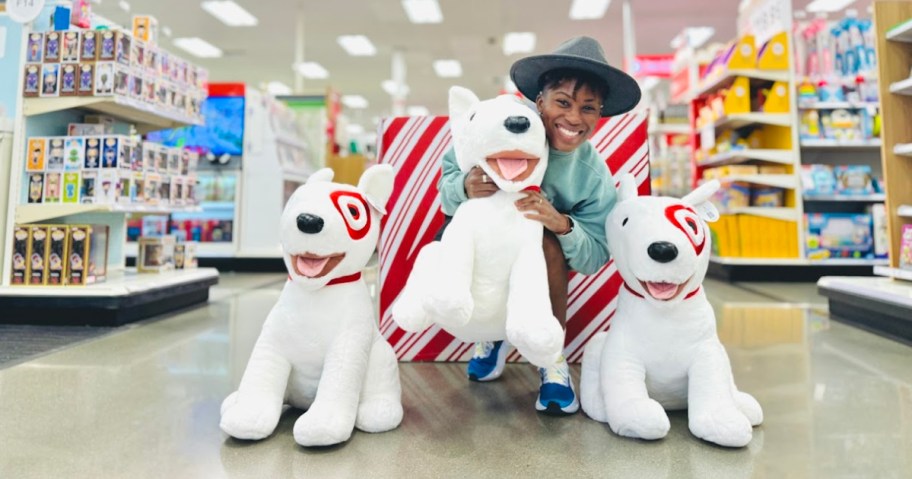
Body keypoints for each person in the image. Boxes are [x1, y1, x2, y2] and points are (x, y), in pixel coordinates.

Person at [436, 36, 642, 415]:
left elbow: (596, 255)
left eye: (589, 108)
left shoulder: (592, 173)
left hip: (538, 267)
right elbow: (448, 176)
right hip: (482, 247)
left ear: (600, 115)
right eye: (563, 102)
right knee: (452, 236)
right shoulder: (498, 123)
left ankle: (551, 360)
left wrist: (561, 224)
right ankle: (490, 336)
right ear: (540, 100)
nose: (574, 119)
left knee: (544, 241)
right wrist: (463, 186)